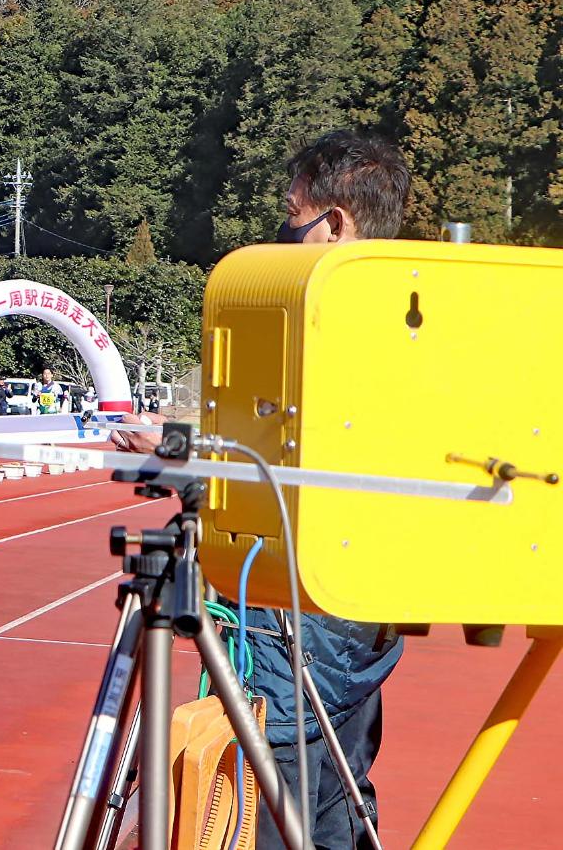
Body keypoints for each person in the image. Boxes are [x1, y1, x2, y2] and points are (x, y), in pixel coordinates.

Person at [114, 130, 411, 850]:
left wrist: (182, 453)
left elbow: (289, 455)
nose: (282, 233)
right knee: (338, 801)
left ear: (335, 222)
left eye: (292, 215)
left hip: (296, 615)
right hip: (361, 609)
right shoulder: (406, 310)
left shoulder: (330, 320)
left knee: (265, 800)